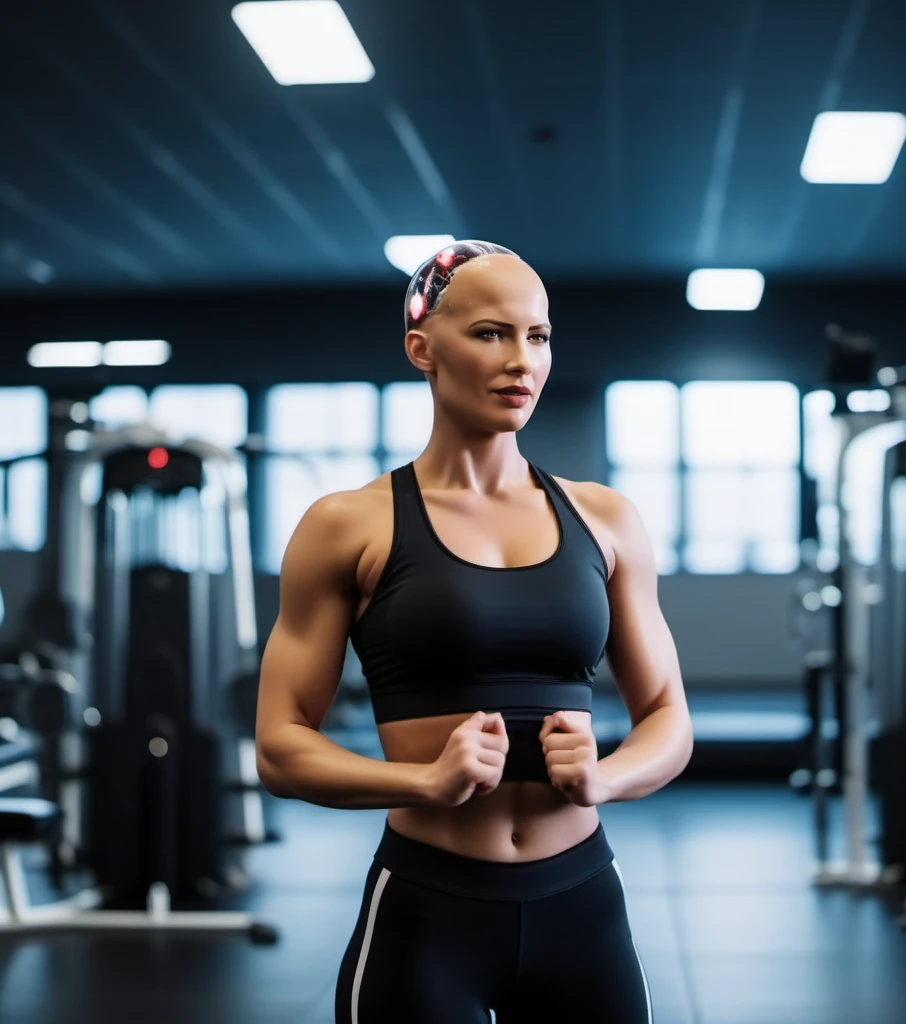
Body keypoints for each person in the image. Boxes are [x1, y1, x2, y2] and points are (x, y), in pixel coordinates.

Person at [255, 240, 693, 1023]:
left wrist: (606, 777)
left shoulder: (605, 518)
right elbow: (281, 746)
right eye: (491, 333)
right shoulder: (348, 525)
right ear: (422, 348)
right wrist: (422, 783)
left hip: (583, 904)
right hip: (429, 912)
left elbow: (668, 716)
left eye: (539, 336)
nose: (521, 360)